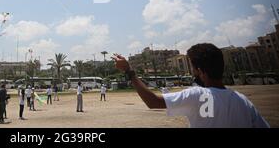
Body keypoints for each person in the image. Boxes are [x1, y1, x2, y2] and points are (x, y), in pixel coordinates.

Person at [112, 43, 270, 128]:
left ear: (201, 71)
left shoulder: (198, 95)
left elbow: (153, 102)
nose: (193, 73)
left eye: (193, 68)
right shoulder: (243, 101)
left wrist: (129, 71)